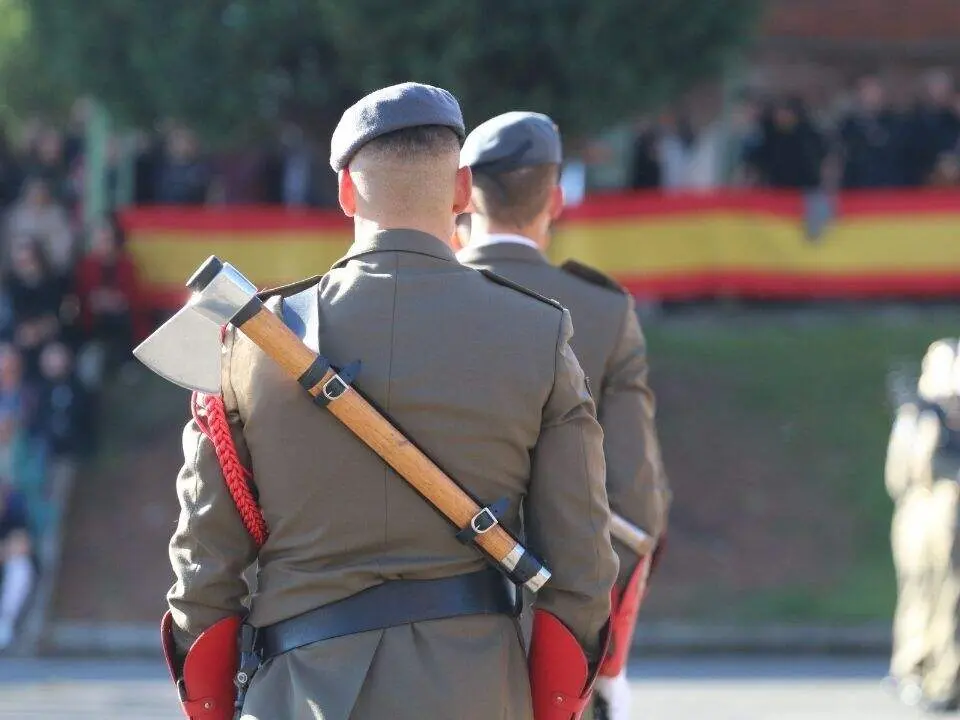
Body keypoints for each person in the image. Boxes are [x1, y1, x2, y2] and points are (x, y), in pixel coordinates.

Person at [162, 83, 617, 720]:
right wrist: (547, 705)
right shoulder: (537, 333)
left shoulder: (252, 340)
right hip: (477, 693)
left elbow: (204, 565)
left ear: (346, 190)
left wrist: (211, 706)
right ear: (462, 190)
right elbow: (583, 564)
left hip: (298, 692)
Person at [456, 111, 669, 720]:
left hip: (429, 617)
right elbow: (635, 506)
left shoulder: (418, 298)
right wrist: (597, 644)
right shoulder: (603, 311)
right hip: (558, 623)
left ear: (464, 193)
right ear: (555, 198)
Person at [908, 339, 960, 713]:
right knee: (927, 595)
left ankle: (945, 678)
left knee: (949, 600)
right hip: (931, 511)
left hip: (945, 510)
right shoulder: (930, 412)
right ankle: (924, 670)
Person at [0, 482, 34, 651]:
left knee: (19, 568)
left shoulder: (15, 509)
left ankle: (5, 623)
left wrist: (5, 552)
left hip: (9, 560)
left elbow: (22, 544)